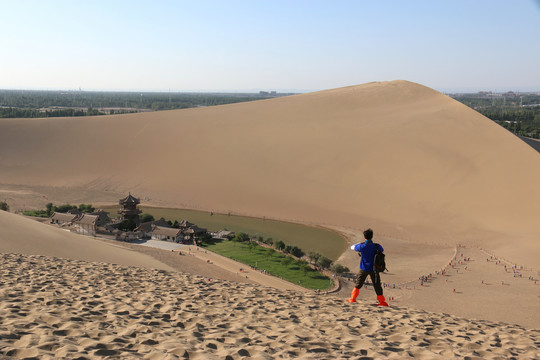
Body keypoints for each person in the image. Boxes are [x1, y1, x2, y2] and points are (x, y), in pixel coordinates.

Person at [348, 228, 388, 306]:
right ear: (372, 236)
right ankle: (382, 302)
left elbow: (352, 247)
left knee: (358, 284)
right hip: (374, 268)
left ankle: (353, 298)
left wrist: (361, 242)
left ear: (364, 237)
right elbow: (382, 251)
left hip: (364, 268)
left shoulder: (362, 246)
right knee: (377, 285)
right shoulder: (377, 246)